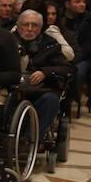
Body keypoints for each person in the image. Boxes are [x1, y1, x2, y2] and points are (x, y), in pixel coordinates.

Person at [13, 10, 68, 138]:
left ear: (41, 27)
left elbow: (66, 68)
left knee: (51, 100)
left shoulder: (51, 44)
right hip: (13, 87)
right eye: (26, 25)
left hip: (41, 90)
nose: (30, 29)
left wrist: (45, 72)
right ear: (18, 25)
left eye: (35, 25)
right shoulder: (8, 40)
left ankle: (31, 138)